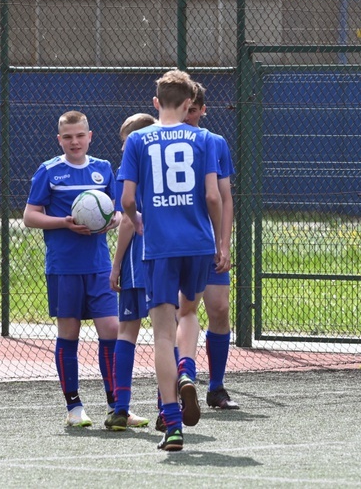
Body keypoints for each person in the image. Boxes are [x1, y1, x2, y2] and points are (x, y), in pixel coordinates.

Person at [118, 70, 223, 451]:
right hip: (197, 241)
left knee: (161, 332)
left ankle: (173, 425)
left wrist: (137, 218)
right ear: (189, 103)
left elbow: (127, 199)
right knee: (190, 313)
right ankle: (188, 371)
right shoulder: (205, 139)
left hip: (159, 245)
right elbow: (214, 197)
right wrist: (221, 241)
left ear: (156, 102)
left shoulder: (139, 140)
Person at [23, 110, 121, 427]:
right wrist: (63, 223)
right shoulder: (48, 171)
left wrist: (110, 222)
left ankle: (116, 406)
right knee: (69, 334)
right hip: (64, 267)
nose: (74, 141)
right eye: (68, 137)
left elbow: (118, 213)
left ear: (90, 136)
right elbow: (30, 216)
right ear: (59, 140)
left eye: (80, 135)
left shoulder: (103, 169)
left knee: (111, 331)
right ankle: (74, 407)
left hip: (99, 267)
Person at [180, 83, 239, 410]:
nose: (188, 115)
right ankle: (177, 381)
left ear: (203, 110)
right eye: (184, 108)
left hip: (208, 242)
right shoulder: (162, 142)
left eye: (194, 109)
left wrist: (223, 243)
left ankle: (216, 387)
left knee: (219, 309)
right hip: (177, 244)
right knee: (181, 312)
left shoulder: (215, 143)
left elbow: (224, 198)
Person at [104, 113, 158, 431]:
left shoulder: (130, 167)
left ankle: (121, 408)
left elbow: (127, 218)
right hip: (169, 255)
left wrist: (116, 265)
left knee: (128, 333)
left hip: (139, 260)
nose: (122, 147)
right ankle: (169, 405)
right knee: (169, 331)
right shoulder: (165, 165)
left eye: (125, 141)